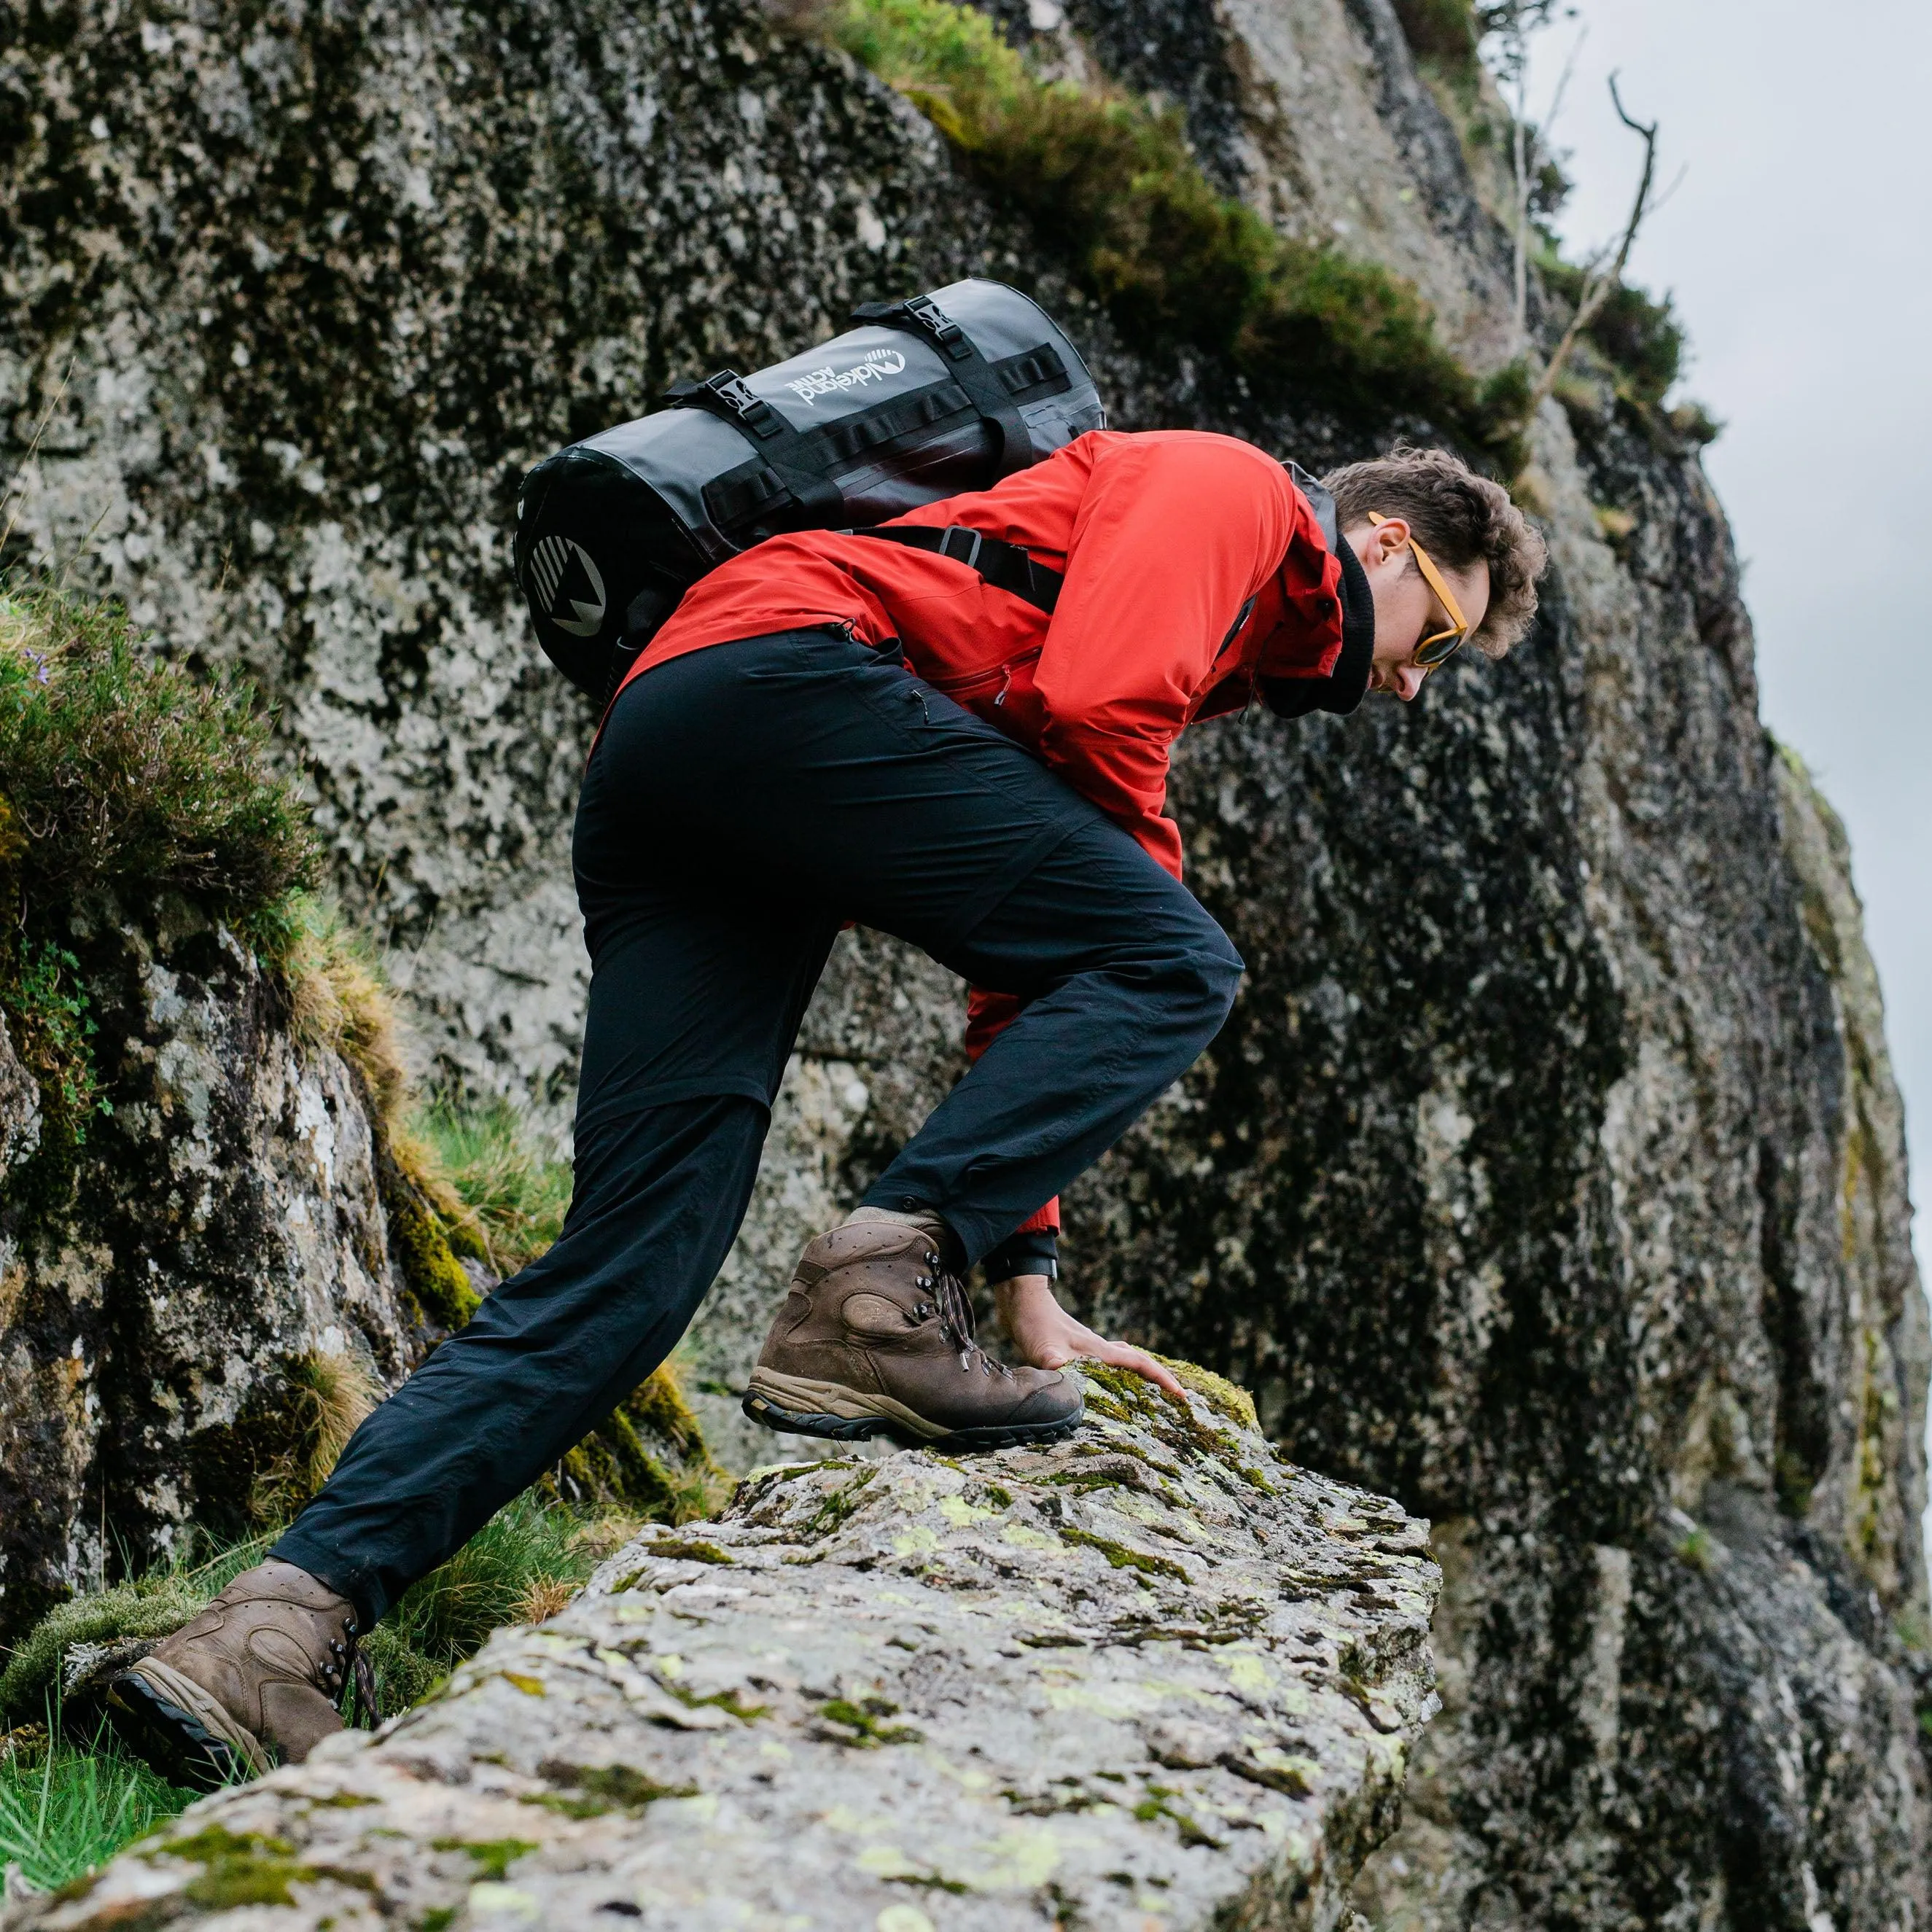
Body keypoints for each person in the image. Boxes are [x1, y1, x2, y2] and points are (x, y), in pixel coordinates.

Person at [108, 429, 1547, 1785]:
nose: (1414, 682)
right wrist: (1138, 895)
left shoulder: (1225, 627)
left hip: (685, 742)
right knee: (1175, 954)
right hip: (785, 677)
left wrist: (1025, 1274)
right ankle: (865, 1292)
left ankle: (266, 1627)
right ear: (1375, 536)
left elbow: (1033, 967)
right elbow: (1098, 709)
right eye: (1432, 635)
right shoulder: (1228, 491)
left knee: (633, 1274)